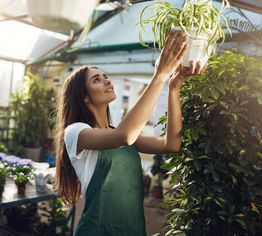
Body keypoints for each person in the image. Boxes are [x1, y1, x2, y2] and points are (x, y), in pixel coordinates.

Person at [55, 30, 207, 235]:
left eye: (105, 77)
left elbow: (171, 144)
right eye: (97, 80)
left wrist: (174, 86)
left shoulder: (119, 131)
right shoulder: (75, 132)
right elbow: (124, 136)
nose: (107, 81)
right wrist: (160, 75)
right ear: (84, 97)